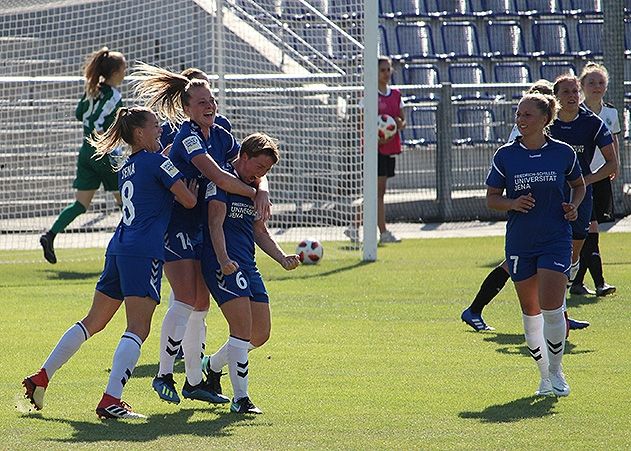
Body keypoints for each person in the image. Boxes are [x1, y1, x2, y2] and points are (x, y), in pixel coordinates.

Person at [22, 106, 198, 419]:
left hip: (119, 246)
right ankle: (111, 399)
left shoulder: (127, 165)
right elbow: (189, 200)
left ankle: (41, 377)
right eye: (155, 126)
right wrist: (186, 179)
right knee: (138, 327)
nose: (160, 130)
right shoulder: (158, 162)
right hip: (143, 252)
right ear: (140, 133)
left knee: (93, 321)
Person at [132, 63, 271, 406]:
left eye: (212, 100)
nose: (209, 105)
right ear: (186, 108)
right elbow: (223, 179)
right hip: (177, 219)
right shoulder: (187, 136)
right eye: (201, 102)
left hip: (200, 223)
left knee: (200, 304)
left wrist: (262, 186)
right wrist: (257, 195)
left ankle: (194, 380)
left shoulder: (221, 132)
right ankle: (164, 373)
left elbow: (248, 165)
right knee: (184, 298)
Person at [461, 75, 616, 332]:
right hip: (532, 223)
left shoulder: (587, 126)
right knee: (529, 264)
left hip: (567, 207)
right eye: (564, 91)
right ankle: (478, 309)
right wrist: (512, 201)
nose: (570, 96)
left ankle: (558, 316)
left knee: (567, 256)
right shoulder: (523, 139)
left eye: (574, 90)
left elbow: (612, 164)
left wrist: (582, 184)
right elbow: (496, 189)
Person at [486, 92, 585, 396]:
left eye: (527, 115)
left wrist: (574, 206)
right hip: (520, 242)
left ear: (545, 119)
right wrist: (512, 202)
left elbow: (578, 186)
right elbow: (492, 199)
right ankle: (543, 377)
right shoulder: (505, 155)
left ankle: (557, 372)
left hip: (556, 238)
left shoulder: (563, 152)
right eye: (518, 114)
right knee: (530, 315)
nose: (520, 120)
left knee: (552, 309)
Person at [200, 133, 300, 414]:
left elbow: (259, 231)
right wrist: (223, 260)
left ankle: (212, 365)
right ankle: (241, 399)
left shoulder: (254, 186)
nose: (262, 174)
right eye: (259, 167)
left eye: (266, 171)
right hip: (225, 263)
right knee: (242, 331)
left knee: (261, 333)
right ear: (243, 157)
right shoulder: (222, 180)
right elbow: (214, 223)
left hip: (248, 266)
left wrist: (282, 258)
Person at [40, 47, 127, 264]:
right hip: (104, 153)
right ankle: (128, 247)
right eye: (124, 67)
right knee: (125, 202)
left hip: (86, 152)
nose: (126, 71)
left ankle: (50, 235)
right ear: (115, 72)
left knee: (81, 204)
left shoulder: (92, 90)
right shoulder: (114, 96)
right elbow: (100, 121)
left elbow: (80, 114)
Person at [569, 63, 620, 297]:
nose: (596, 87)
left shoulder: (610, 113)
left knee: (592, 229)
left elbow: (613, 141)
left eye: (600, 82)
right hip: (580, 178)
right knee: (591, 228)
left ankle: (578, 280)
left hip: (600, 175)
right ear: (582, 86)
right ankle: (597, 282)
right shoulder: (575, 113)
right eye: (591, 82)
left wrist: (615, 164)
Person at [345, 56, 406, 244]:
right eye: (383, 70)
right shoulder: (369, 96)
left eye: (389, 70)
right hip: (374, 151)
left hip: (389, 148)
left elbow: (402, 122)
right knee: (377, 192)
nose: (387, 73)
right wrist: (375, 135)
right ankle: (383, 232)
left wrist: (397, 124)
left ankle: (354, 227)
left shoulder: (396, 94)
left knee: (376, 192)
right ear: (375, 73)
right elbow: (360, 124)